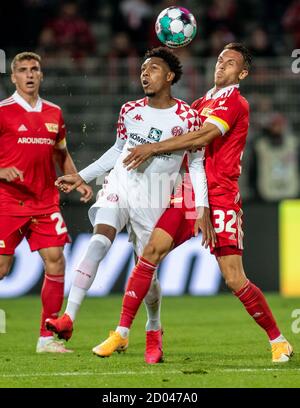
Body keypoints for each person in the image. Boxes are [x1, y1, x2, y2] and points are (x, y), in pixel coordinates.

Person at [95, 43, 293, 364]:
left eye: (230, 64)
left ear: (242, 73)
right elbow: (187, 148)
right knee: (150, 253)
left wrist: (154, 148)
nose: (221, 66)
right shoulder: (199, 103)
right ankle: (123, 331)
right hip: (188, 193)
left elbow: (202, 137)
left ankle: (278, 340)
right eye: (219, 60)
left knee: (233, 279)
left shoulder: (236, 103)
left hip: (222, 197)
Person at [45, 47, 214, 363]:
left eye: (152, 69)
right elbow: (116, 152)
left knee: (146, 275)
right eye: (142, 69)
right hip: (119, 185)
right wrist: (79, 176)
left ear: (170, 76)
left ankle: (153, 327)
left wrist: (201, 206)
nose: (144, 74)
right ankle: (68, 318)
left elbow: (195, 165)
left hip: (153, 197)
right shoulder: (130, 111)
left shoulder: (188, 117)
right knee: (99, 239)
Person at [0, 52, 93, 353]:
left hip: (44, 201)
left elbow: (61, 154)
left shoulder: (54, 113)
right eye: (23, 70)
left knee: (56, 260)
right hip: (7, 201)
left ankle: (46, 338)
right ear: (13, 77)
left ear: (41, 75)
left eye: (34, 69)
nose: (29, 74)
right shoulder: (2, 112)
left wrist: (76, 179)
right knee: (2, 267)